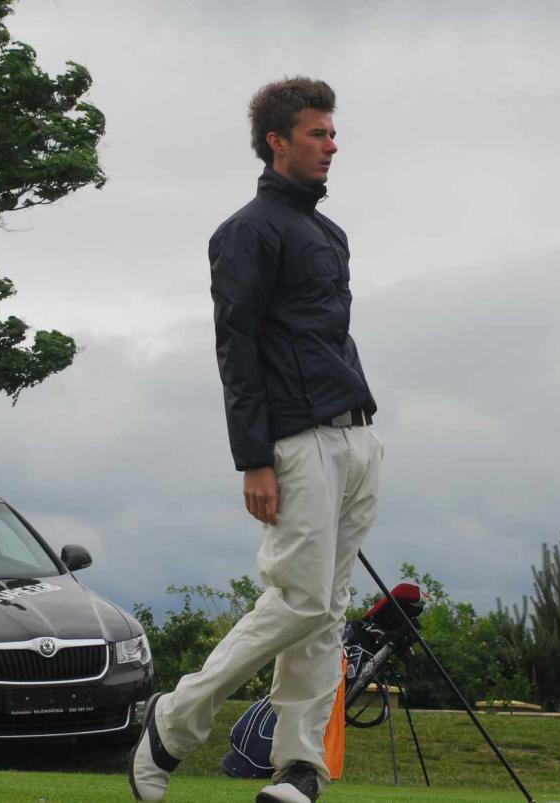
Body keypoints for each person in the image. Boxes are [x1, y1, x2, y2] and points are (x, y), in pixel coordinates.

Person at [129, 76, 382, 803]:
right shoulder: (246, 231)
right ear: (277, 141)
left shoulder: (328, 233)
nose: (331, 145)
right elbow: (235, 349)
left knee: (326, 612)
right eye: (316, 133)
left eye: (332, 132)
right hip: (296, 442)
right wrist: (253, 458)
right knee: (300, 600)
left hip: (357, 439)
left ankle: (299, 768)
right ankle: (173, 721)